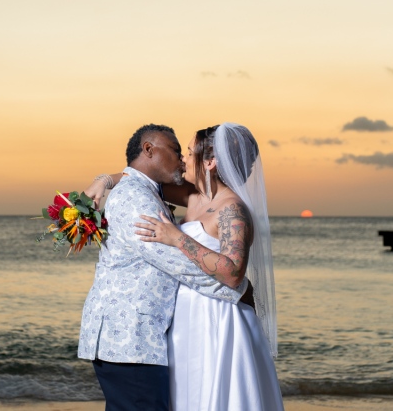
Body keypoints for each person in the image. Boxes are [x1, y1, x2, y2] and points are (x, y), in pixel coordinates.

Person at [85, 123, 283, 410]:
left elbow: (233, 272)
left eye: (189, 152)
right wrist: (104, 180)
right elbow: (142, 179)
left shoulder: (232, 210)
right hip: (183, 319)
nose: (183, 159)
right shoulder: (192, 197)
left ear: (211, 162)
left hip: (218, 317)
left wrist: (178, 238)